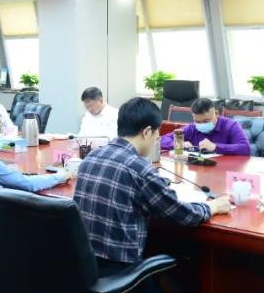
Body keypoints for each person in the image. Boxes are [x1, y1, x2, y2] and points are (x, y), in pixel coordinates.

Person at [74, 97, 230, 270]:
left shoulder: (91, 157)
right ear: (147, 132)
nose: (157, 138)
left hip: (84, 263)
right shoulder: (141, 170)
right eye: (157, 134)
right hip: (120, 268)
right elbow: (183, 214)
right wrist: (213, 206)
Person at [159, 97, 250, 156]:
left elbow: (245, 148)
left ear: (216, 113)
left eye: (206, 121)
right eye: (197, 121)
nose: (202, 124)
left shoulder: (231, 125)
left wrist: (215, 147)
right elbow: (162, 140)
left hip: (224, 170)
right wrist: (179, 144)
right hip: (198, 170)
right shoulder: (192, 128)